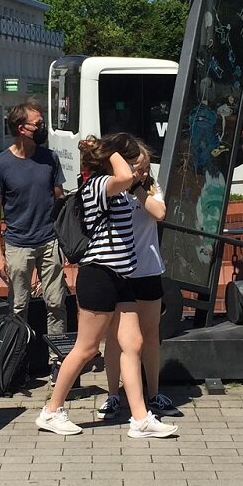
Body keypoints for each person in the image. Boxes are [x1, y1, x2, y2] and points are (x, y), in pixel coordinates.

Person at [36, 134, 177, 439]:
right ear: (117, 162)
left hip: (122, 275)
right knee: (86, 348)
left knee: (133, 343)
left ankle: (140, 418)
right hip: (98, 275)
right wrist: (112, 152)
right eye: (133, 163)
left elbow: (149, 204)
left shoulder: (124, 189)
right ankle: (51, 410)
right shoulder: (100, 185)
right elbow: (124, 176)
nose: (138, 171)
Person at [0, 103, 67, 355]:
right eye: (38, 124)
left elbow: (59, 199)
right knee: (18, 307)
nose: (42, 128)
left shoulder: (50, 158)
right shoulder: (0, 165)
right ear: (22, 128)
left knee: (56, 302)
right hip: (18, 243)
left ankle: (59, 360)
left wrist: (65, 237)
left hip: (49, 241)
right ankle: (16, 360)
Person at [97, 160, 174, 421]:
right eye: (135, 167)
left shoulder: (151, 187)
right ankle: (112, 395)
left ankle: (153, 393)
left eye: (143, 168)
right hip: (119, 270)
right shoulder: (109, 187)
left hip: (148, 269)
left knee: (151, 335)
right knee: (115, 337)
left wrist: (139, 187)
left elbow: (159, 213)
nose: (140, 172)